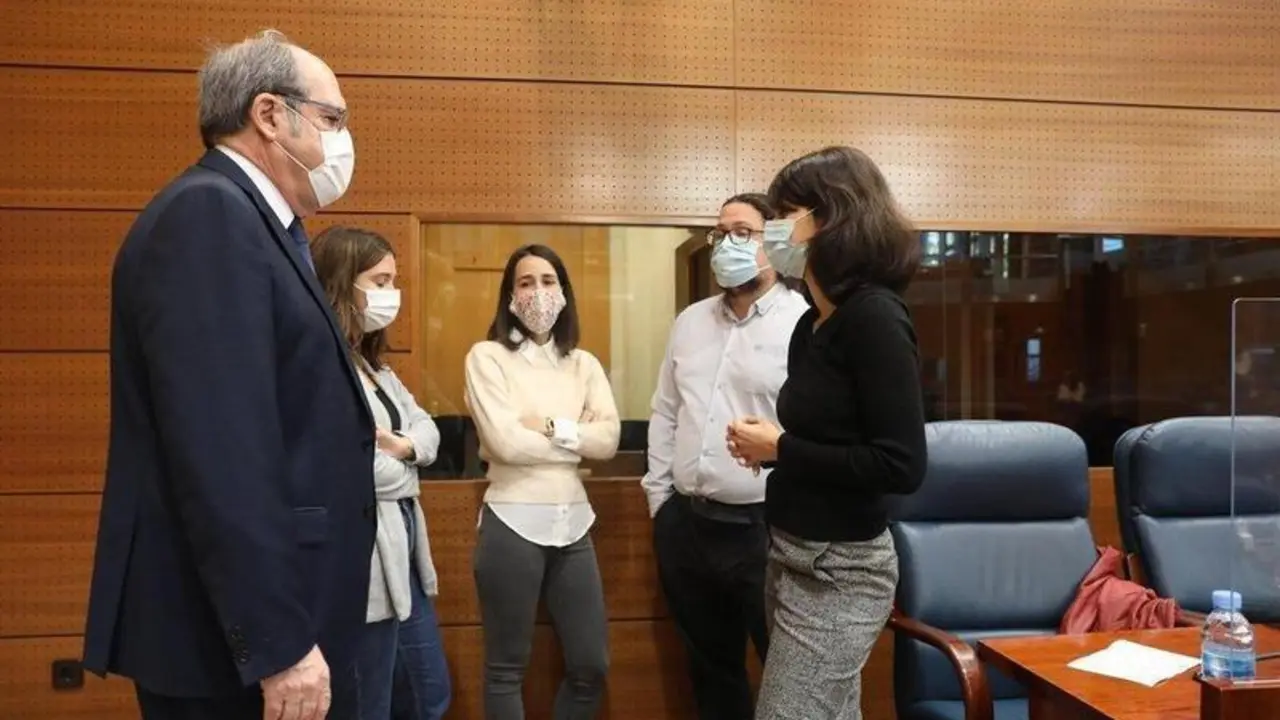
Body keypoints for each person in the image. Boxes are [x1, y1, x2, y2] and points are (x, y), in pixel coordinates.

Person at [81, 30, 372, 720]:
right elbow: (222, 455)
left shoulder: (256, 225)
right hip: (235, 645)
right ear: (270, 116)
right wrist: (279, 644)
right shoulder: (209, 217)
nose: (341, 141)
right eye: (333, 119)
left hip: (259, 624)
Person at [725, 146, 928, 719]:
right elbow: (830, 443)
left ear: (830, 219)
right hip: (788, 555)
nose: (773, 228)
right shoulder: (811, 325)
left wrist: (782, 448)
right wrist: (769, 452)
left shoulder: (876, 318)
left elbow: (901, 465)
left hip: (841, 570)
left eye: (786, 212)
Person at [641, 193, 808, 719]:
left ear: (771, 243)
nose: (725, 243)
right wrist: (661, 501)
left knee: (785, 676)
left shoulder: (802, 322)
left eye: (742, 232)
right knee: (711, 675)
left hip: (766, 530)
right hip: (688, 525)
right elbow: (666, 412)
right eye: (719, 233)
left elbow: (812, 428)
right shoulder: (690, 322)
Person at [463, 244, 620, 719]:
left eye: (548, 281)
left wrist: (551, 427)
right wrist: (577, 437)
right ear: (510, 295)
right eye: (526, 282)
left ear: (564, 292)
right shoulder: (487, 357)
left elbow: (609, 440)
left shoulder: (584, 364)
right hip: (511, 521)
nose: (538, 292)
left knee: (591, 664)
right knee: (506, 667)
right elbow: (504, 444)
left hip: (573, 523)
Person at [310, 226, 453, 720]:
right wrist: (409, 463)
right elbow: (349, 470)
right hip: (362, 567)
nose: (393, 294)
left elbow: (429, 432)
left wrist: (404, 446)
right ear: (342, 283)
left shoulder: (376, 368)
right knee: (369, 703)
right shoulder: (321, 366)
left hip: (404, 558)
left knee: (428, 694)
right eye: (381, 280)